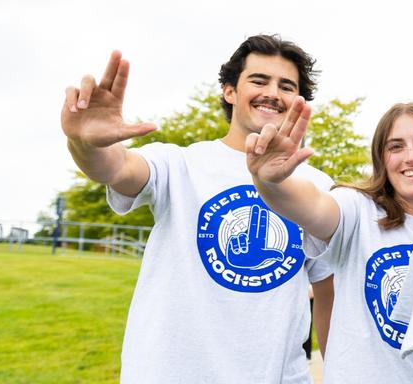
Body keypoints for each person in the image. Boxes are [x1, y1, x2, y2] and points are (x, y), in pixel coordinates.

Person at [60, 35, 335, 382]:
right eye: (259, 80)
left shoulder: (319, 186)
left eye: (286, 86)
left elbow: (329, 296)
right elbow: (116, 168)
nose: (273, 93)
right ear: (229, 91)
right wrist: (84, 143)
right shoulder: (180, 164)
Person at [246, 102, 413, 382]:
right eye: (396, 147)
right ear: (381, 158)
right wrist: (271, 183)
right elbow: (312, 207)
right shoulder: (357, 210)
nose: (411, 157)